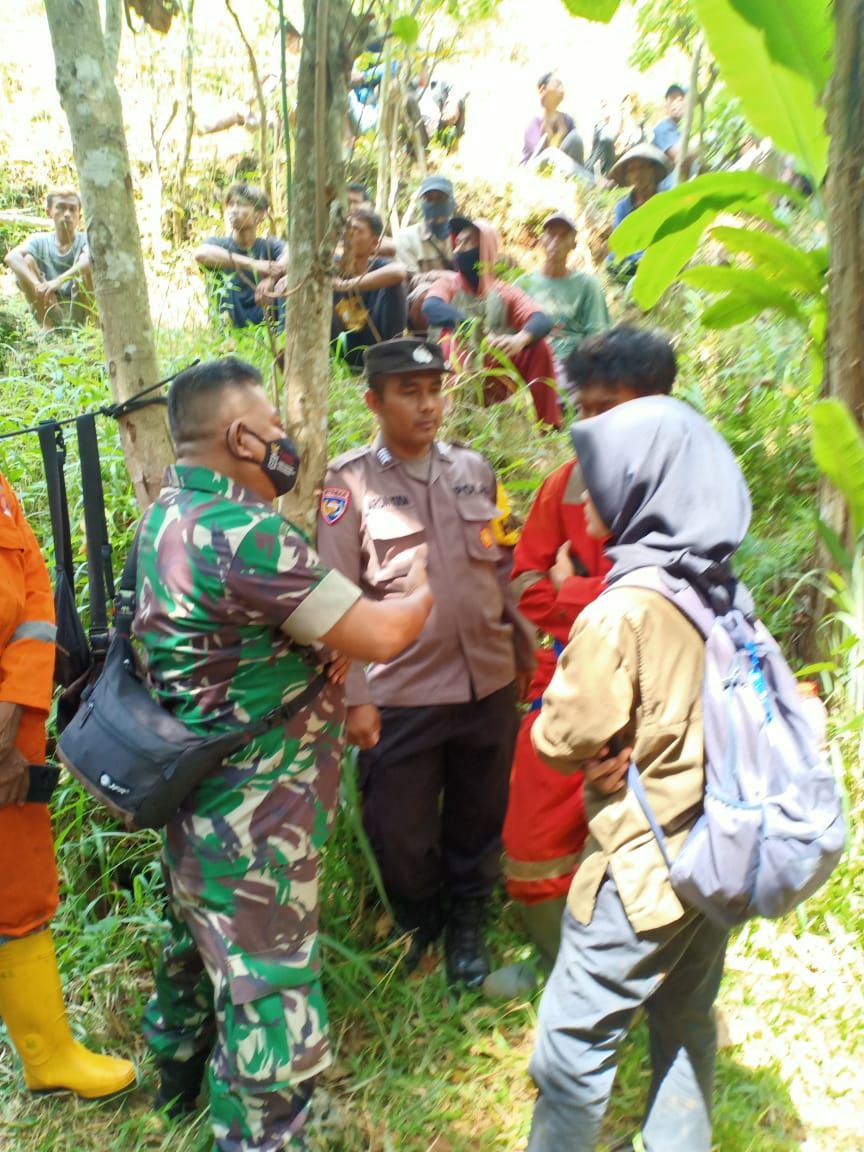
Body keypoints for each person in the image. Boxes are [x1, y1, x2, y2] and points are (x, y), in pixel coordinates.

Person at [135, 357, 433, 1151]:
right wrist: (427, 579)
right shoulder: (247, 533)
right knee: (268, 987)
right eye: (273, 427)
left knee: (196, 948)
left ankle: (171, 1085)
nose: (284, 441)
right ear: (239, 435)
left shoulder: (165, 518)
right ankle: (266, 1135)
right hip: (260, 814)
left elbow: (229, 641)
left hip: (196, 795)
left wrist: (313, 654)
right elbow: (385, 631)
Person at [525, 394, 750, 1151]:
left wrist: (585, 741)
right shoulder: (713, 581)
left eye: (601, 477)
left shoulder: (621, 610)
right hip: (715, 850)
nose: (584, 493)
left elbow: (562, 735)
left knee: (571, 1047)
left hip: (642, 867)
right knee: (685, 1021)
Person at [316, 337, 535, 989]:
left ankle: (468, 925)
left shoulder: (474, 468)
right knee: (401, 833)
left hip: (487, 680)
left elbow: (505, 566)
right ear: (373, 401)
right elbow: (335, 594)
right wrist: (354, 694)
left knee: (479, 813)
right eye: (408, 392)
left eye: (435, 389)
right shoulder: (348, 483)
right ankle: (419, 922)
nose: (427, 404)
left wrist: (522, 651)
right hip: (402, 690)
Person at [485, 327, 677, 1000]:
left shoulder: (683, 491)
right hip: (566, 682)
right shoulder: (563, 486)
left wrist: (577, 590)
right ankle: (566, 965)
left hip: (660, 697)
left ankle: (655, 985)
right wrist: (589, 595)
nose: (592, 423)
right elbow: (525, 586)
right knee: (533, 832)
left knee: (647, 840)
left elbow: (676, 605)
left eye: (611, 407)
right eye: (585, 408)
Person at [0, 471, 135, 1099]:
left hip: (7, 729)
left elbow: (32, 595)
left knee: (18, 888)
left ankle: (48, 1055)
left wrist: (19, 701)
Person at [422, 216, 561, 427]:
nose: (460, 248)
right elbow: (431, 306)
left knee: (539, 348)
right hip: (447, 372)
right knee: (450, 340)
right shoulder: (448, 283)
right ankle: (454, 421)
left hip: (494, 374)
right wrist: (469, 327)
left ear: (486, 249)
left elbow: (540, 319)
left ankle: (548, 426)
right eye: (457, 242)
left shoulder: (505, 292)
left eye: (468, 242)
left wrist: (520, 340)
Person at [514, 213, 609, 377]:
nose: (555, 242)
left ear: (573, 244)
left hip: (570, 366)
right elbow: (509, 329)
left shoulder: (588, 286)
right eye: (550, 235)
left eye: (563, 237)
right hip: (530, 362)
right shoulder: (523, 284)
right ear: (542, 240)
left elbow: (597, 337)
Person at [194, 182, 285, 328]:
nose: (234, 210)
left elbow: (294, 255)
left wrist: (272, 278)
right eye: (231, 205)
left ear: (260, 214)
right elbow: (201, 254)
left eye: (241, 204)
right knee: (219, 271)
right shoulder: (218, 245)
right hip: (230, 329)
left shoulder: (269, 246)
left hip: (266, 327)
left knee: (287, 279)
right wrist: (254, 264)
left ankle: (283, 341)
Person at [4, 189, 93, 329]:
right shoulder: (39, 240)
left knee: (89, 269)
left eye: (72, 209)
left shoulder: (86, 239)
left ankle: (91, 327)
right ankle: (48, 328)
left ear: (78, 215)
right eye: (61, 207)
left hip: (81, 311)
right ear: (49, 211)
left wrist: (57, 281)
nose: (67, 214)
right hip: (48, 305)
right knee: (27, 260)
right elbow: (11, 257)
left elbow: (88, 261)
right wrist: (39, 286)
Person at [331, 207, 408, 368]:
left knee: (394, 285)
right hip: (339, 348)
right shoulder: (331, 265)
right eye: (347, 229)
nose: (349, 234)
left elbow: (399, 272)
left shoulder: (380, 265)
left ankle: (392, 357)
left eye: (357, 230)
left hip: (375, 349)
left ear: (373, 243)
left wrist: (346, 285)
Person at [394, 175, 456, 332]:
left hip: (462, 293)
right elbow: (410, 279)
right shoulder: (406, 238)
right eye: (429, 199)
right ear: (422, 204)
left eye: (440, 198)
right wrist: (443, 277)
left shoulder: (463, 234)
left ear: (451, 202)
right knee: (427, 295)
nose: (435, 204)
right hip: (424, 300)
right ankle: (430, 343)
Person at [608, 144, 672, 279]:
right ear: (627, 177)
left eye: (642, 167)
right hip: (632, 263)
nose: (637, 174)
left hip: (657, 261)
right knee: (611, 263)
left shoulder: (666, 201)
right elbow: (619, 244)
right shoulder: (622, 207)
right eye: (632, 170)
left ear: (652, 170)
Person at [521, 73, 586, 177]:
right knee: (551, 153)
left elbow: (576, 154)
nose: (562, 90)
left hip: (564, 172)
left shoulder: (567, 120)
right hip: (536, 173)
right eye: (557, 85)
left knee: (575, 139)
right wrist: (559, 134)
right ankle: (592, 182)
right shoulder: (534, 122)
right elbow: (543, 157)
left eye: (563, 86)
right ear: (543, 90)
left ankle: (588, 180)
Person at [651, 83, 691, 189]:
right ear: (666, 105)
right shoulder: (663, 128)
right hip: (662, 187)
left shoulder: (679, 130)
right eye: (672, 99)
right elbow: (682, 158)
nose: (676, 104)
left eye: (681, 100)